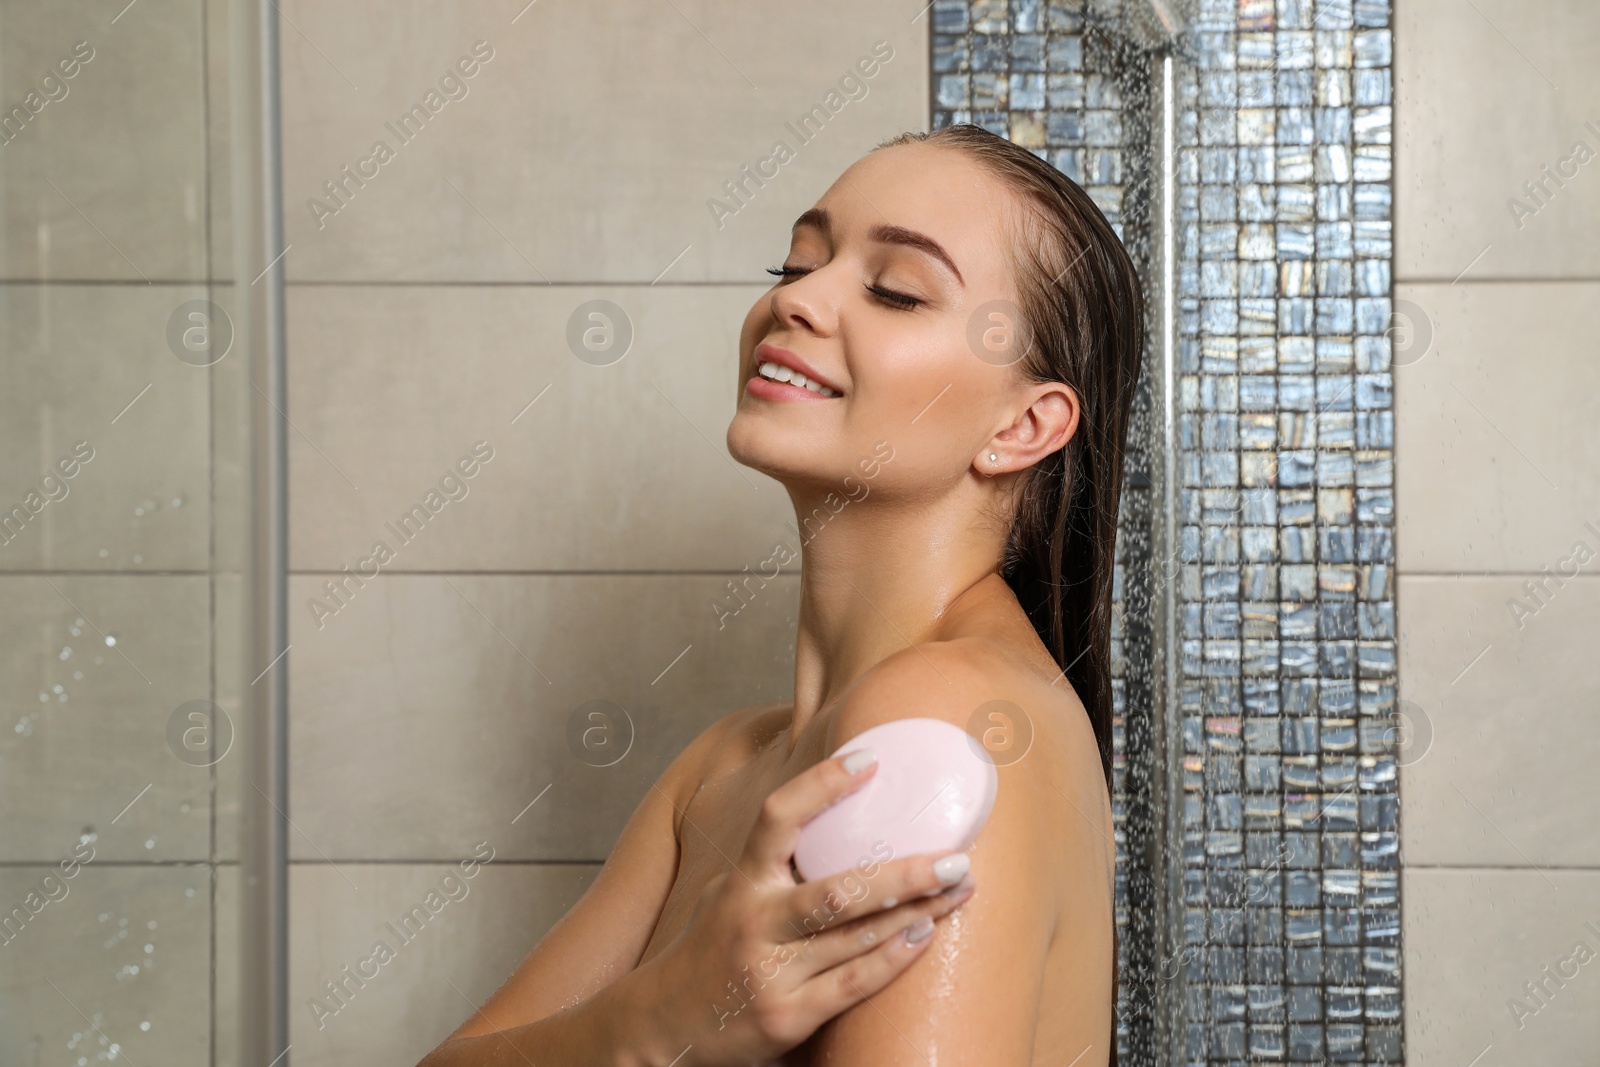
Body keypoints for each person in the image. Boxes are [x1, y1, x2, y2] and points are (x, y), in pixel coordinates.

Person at [418, 122, 1146, 1066]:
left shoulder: (947, 721)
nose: (799, 298)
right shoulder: (722, 768)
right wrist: (660, 1019)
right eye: (798, 261)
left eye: (896, 290)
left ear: (1023, 424)